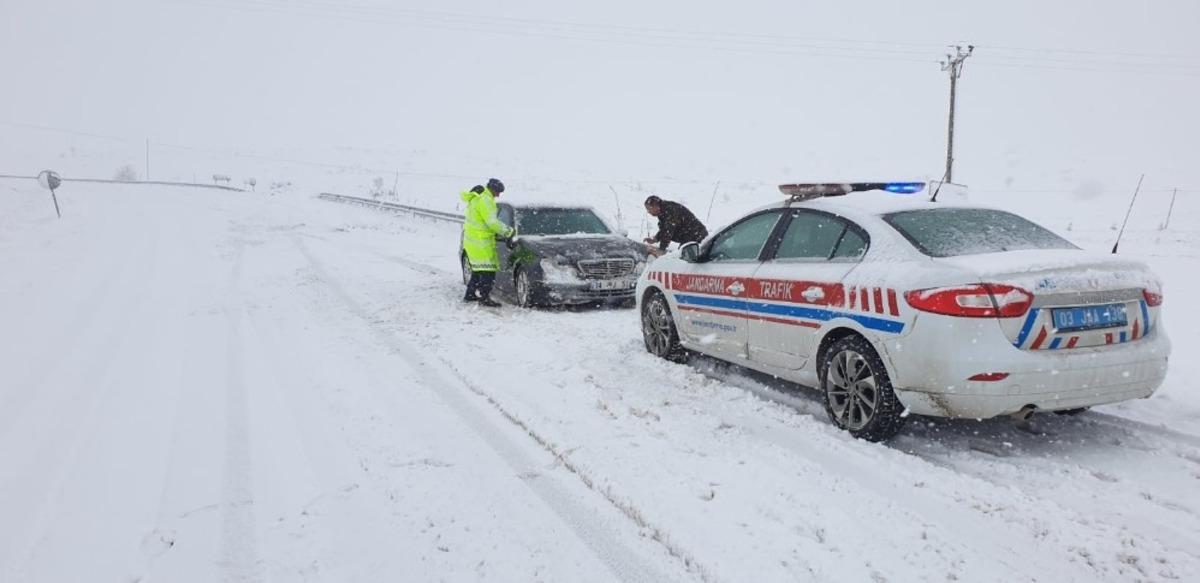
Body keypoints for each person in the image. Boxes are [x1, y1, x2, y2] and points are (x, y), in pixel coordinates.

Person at [460, 178, 515, 307]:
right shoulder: (486, 200)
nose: (499, 195)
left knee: (478, 270)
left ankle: (470, 294)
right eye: (498, 192)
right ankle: (485, 298)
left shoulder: (478, 198)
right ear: (493, 189)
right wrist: (509, 232)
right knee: (488, 272)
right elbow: (492, 223)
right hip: (481, 242)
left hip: (472, 241)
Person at [643, 195, 708, 255]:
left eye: (649, 209)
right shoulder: (663, 211)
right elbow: (664, 229)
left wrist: (662, 249)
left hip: (696, 235)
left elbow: (668, 230)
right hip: (688, 235)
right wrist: (655, 239)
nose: (648, 212)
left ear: (655, 206)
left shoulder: (670, 210)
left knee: (683, 258)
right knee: (682, 255)